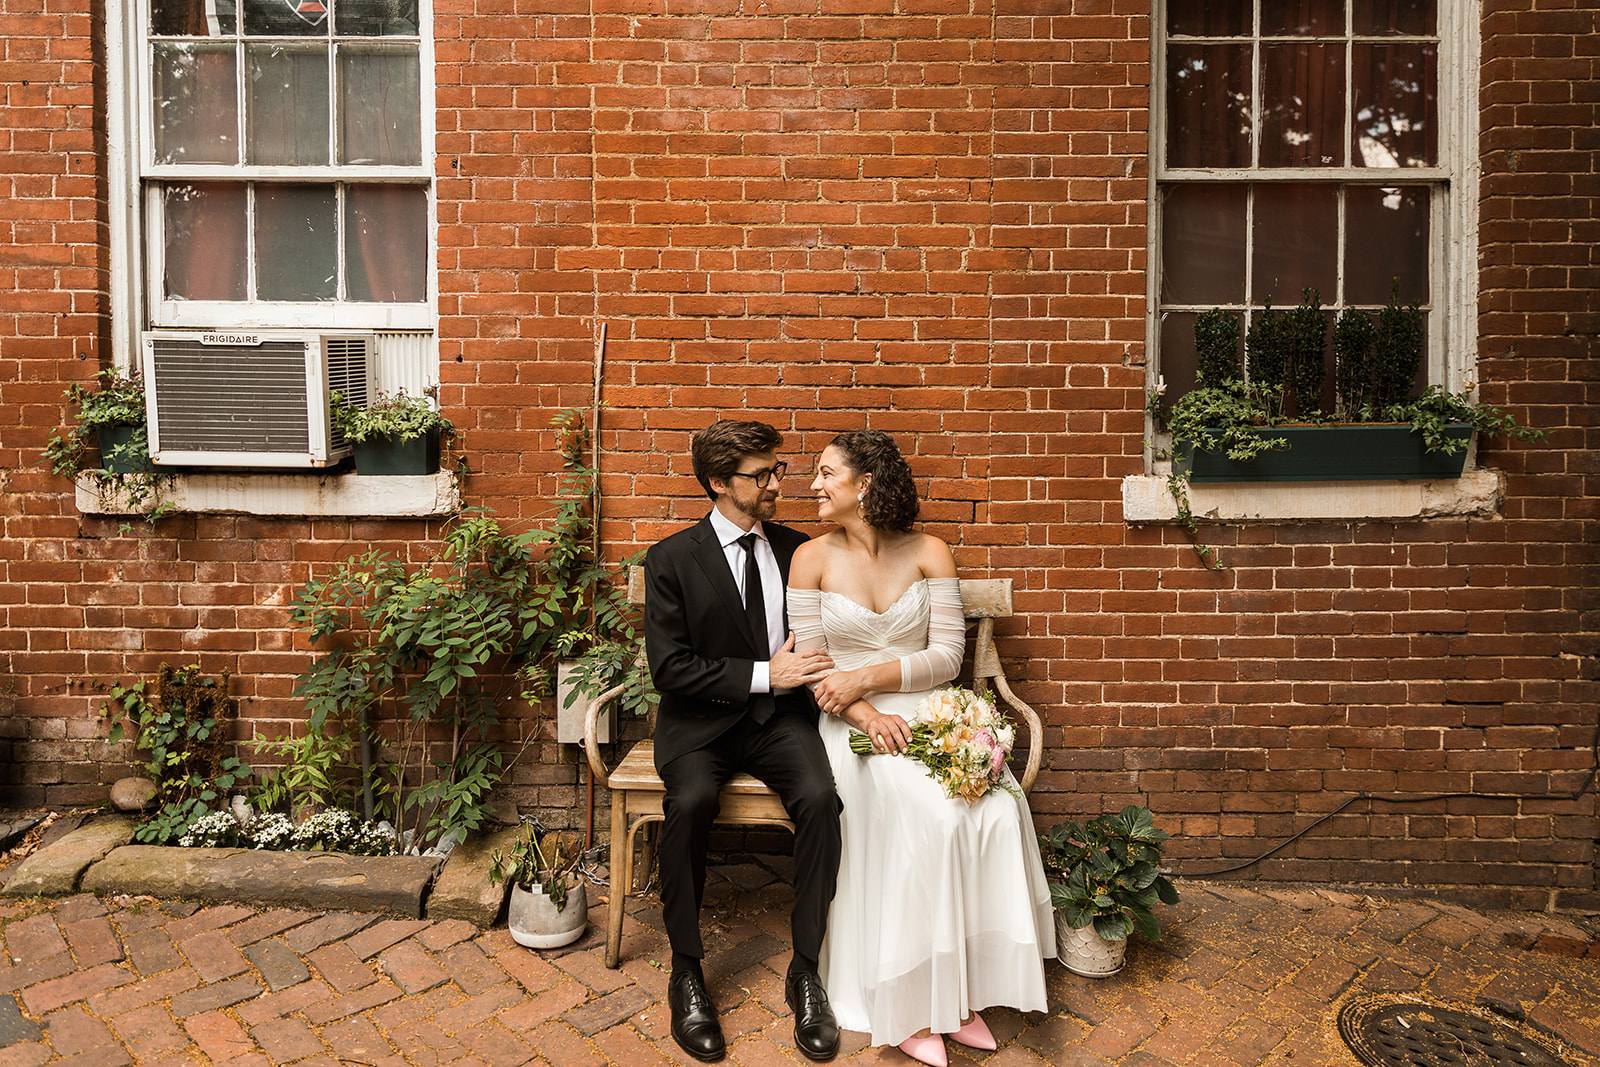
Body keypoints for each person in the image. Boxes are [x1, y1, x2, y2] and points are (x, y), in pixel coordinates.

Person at [786, 430, 1056, 1067]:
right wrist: (861, 706)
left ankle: (963, 993)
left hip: (929, 712)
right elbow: (814, 667)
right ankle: (907, 1003)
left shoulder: (931, 551)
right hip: (847, 720)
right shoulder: (810, 560)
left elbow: (947, 657)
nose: (813, 486)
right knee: (926, 815)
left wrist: (871, 677)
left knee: (993, 808)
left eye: (827, 474)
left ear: (866, 485)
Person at [644, 419, 845, 1064]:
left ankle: (806, 970)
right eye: (760, 475)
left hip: (781, 721)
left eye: (775, 470)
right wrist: (764, 672)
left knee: (821, 799)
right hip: (700, 725)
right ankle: (687, 971)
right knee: (692, 802)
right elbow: (668, 669)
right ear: (716, 483)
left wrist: (806, 668)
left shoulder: (799, 550)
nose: (775, 484)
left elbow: (823, 636)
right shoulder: (672, 558)